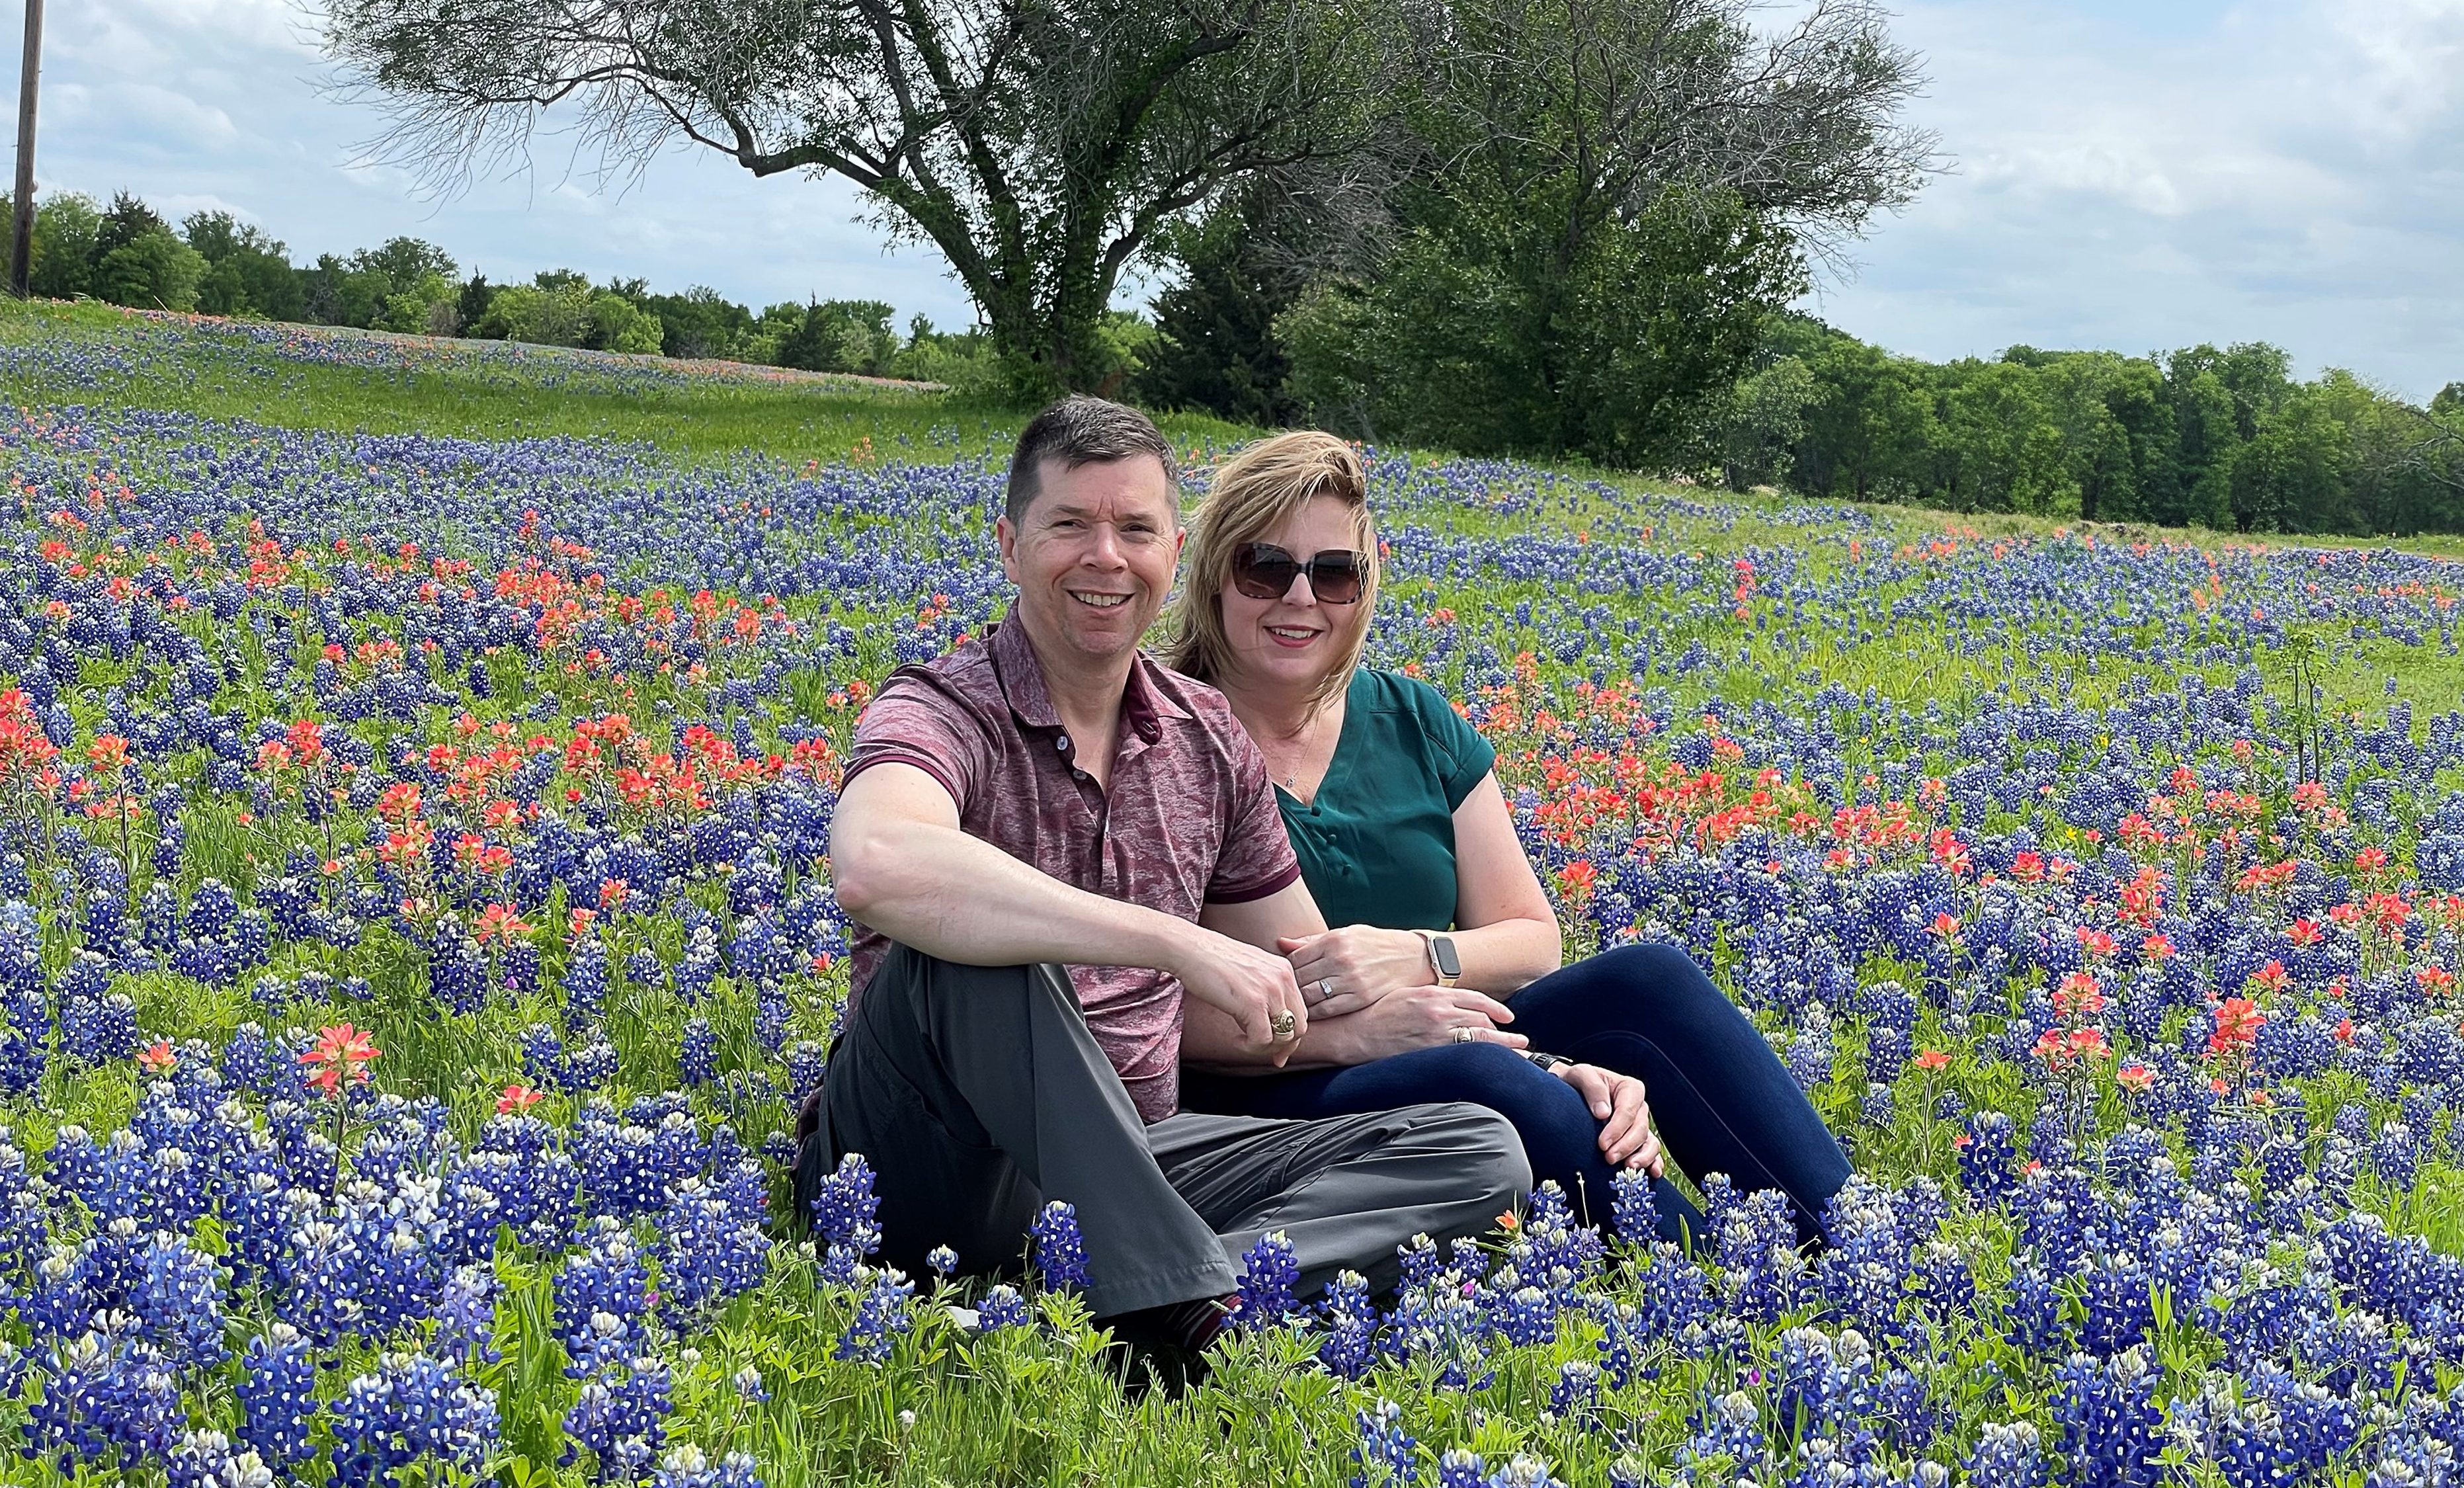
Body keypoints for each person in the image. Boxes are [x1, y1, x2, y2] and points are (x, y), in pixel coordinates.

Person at [798, 397, 1528, 1384]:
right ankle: (1174, 1307)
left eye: (1135, 528)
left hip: (1142, 1150)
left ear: (1172, 553)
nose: (1105, 556)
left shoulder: (1203, 734)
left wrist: (1551, 1066)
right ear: (1010, 546)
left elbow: (1300, 978)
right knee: (977, 950)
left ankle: (1138, 1305)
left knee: (1476, 1147)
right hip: (933, 1165)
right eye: (1069, 525)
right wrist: (1168, 939)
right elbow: (879, 860)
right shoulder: (940, 704)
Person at [1163, 431, 1852, 1247]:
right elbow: (1138, 1007)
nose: (1300, 598)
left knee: (1647, 982)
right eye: (1265, 567)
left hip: (1441, 1031)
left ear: (1365, 585)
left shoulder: (1414, 721)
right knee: (1491, 1075)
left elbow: (1533, 938)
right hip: (1271, 1079)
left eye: (1334, 573)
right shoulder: (1162, 735)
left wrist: (1417, 956)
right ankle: (1723, 1293)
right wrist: (1515, 1064)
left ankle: (1853, 1248)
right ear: (1214, 575)